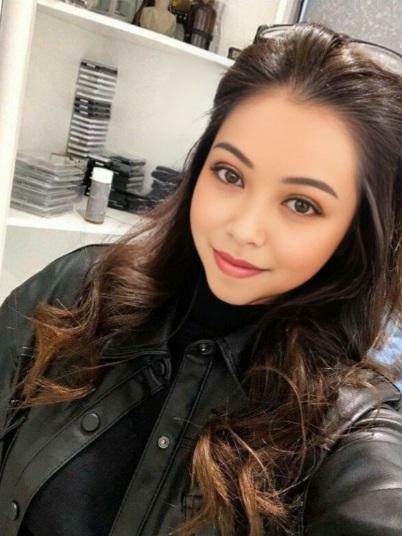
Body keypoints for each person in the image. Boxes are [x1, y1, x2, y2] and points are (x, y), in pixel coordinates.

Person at [1, 20, 402, 536]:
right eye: (230, 174)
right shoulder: (78, 291)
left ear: (355, 232)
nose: (243, 229)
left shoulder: (343, 431)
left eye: (301, 204)